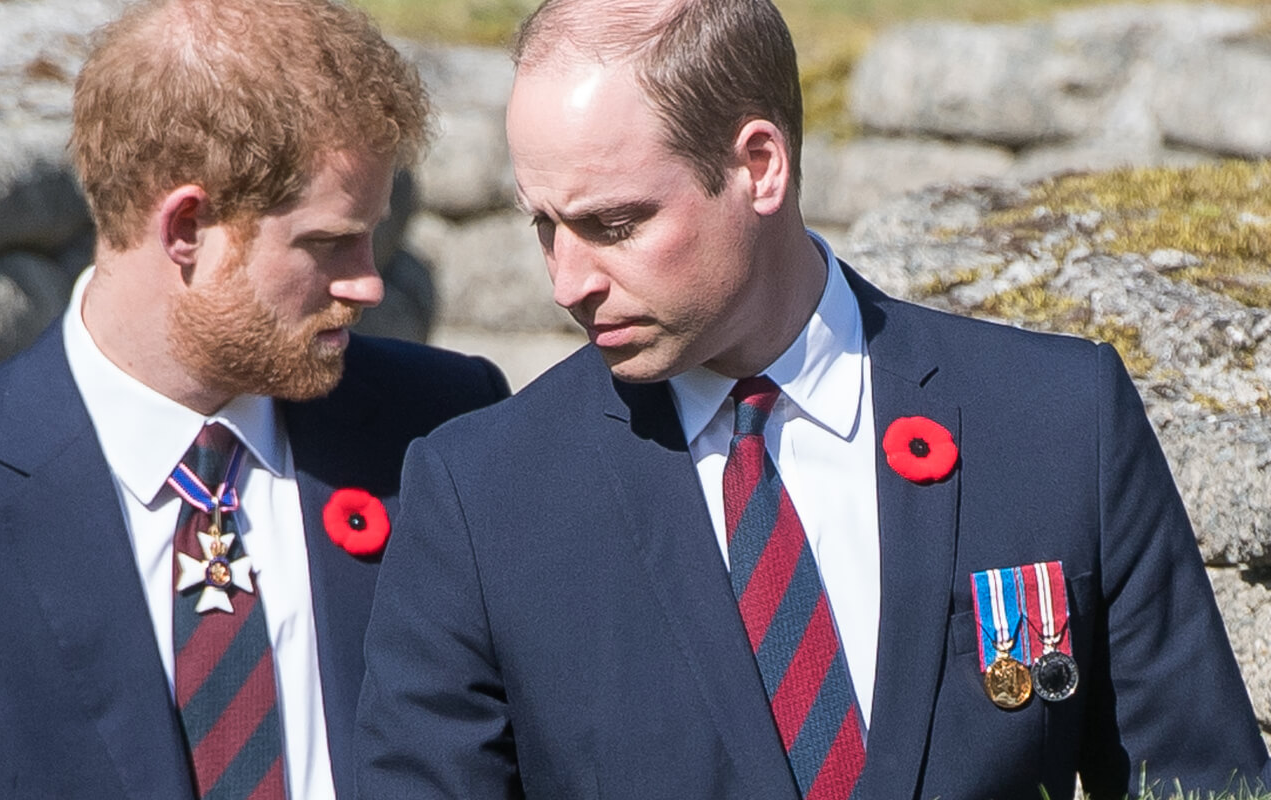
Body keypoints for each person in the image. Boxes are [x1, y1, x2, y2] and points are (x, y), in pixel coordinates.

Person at [353, 0, 1270, 797]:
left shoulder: (1057, 419)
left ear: (760, 165)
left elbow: (1198, 780)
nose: (566, 281)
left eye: (614, 225)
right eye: (544, 227)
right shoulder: (483, 497)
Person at [0, 0, 509, 797]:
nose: (367, 281)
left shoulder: (441, 424)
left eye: (370, 235)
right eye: (327, 243)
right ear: (185, 226)